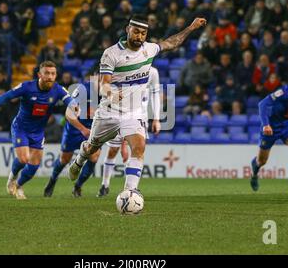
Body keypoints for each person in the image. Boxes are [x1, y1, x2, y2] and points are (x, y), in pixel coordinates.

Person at [67, 14, 206, 195]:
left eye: (143, 33)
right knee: (92, 148)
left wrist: (191, 27)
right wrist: (111, 93)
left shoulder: (148, 49)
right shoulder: (111, 53)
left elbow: (172, 43)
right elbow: (104, 83)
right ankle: (79, 159)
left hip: (133, 113)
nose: (139, 36)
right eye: (136, 32)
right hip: (109, 112)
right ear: (128, 30)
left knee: (139, 147)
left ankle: (130, 192)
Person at [0, 61, 79, 200]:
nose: (50, 76)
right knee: (24, 159)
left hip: (38, 132)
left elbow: (69, 100)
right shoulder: (27, 87)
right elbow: (5, 96)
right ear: (39, 74)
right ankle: (11, 179)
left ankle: (18, 186)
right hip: (21, 128)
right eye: (47, 73)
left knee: (34, 167)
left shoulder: (57, 89)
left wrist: (75, 107)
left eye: (53, 73)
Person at [97, 66, 162, 197]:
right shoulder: (124, 67)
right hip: (119, 114)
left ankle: (131, 188)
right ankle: (105, 184)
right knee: (113, 150)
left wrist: (156, 118)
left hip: (139, 116)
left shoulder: (153, 72)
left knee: (137, 149)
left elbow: (155, 94)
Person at [43, 78, 102, 198]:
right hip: (74, 129)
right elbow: (68, 114)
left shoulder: (112, 91)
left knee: (94, 157)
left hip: (93, 130)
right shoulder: (83, 89)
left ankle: (78, 186)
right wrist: (82, 129)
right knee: (64, 159)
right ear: (97, 76)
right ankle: (52, 180)